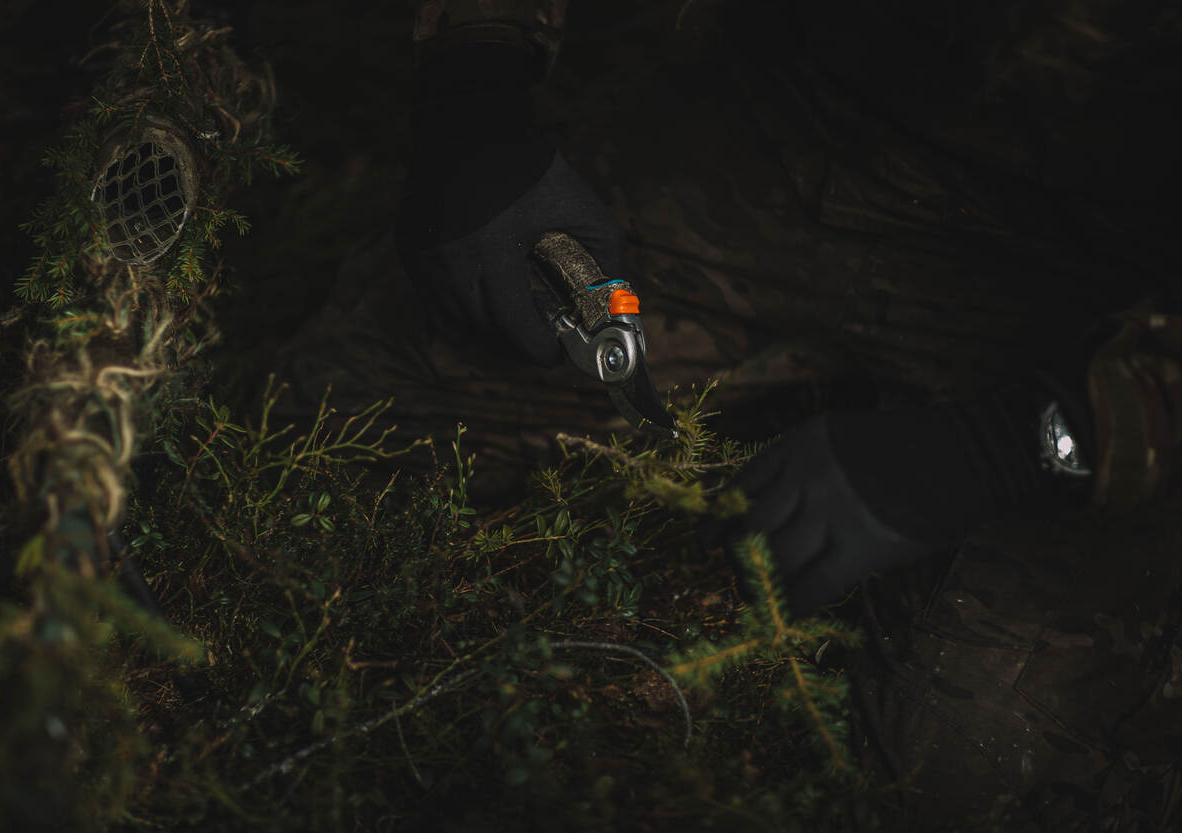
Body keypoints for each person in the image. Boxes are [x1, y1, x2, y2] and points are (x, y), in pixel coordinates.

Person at [389, 1, 1182, 828]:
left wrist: (1019, 443)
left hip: (1125, 269)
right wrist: (473, 82)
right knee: (374, 389)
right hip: (821, 115)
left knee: (963, 779)